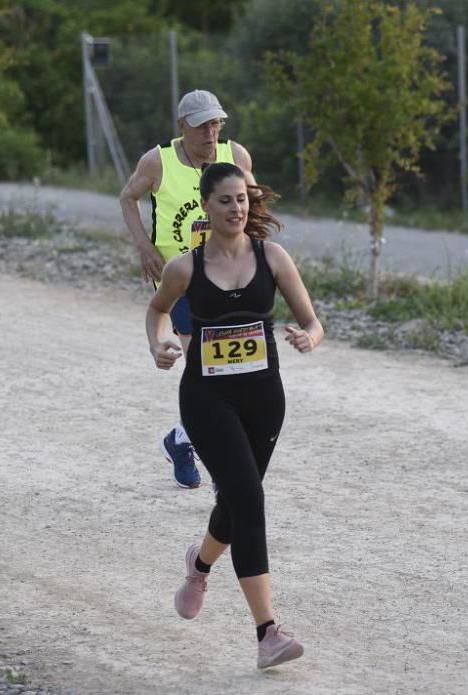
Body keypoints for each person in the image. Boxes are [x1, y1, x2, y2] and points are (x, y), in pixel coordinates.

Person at [144, 162, 324, 669]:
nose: (237, 208)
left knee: (239, 500)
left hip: (264, 397)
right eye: (225, 200)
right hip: (206, 399)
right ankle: (268, 632)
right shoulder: (185, 267)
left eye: (242, 199)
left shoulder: (273, 257)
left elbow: (313, 321)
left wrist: (309, 337)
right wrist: (158, 344)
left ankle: (198, 566)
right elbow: (157, 311)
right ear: (206, 206)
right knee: (248, 498)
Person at [120, 89, 254, 489]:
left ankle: (182, 439)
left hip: (232, 281)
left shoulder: (237, 156)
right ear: (182, 127)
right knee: (209, 374)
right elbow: (128, 198)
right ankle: (221, 465)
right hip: (182, 284)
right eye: (201, 126)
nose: (210, 134)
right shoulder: (157, 161)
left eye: (216, 124)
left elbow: (254, 206)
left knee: (235, 376)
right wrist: (145, 247)